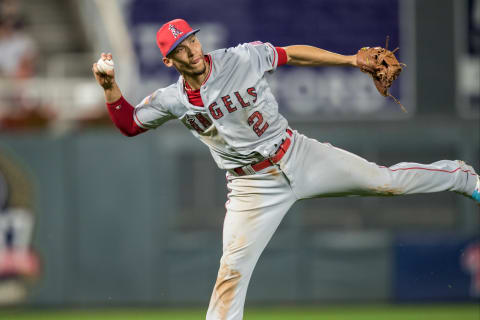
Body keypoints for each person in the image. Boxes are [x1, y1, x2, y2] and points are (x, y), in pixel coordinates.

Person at [92, 18, 480, 320]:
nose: (191, 49)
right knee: (231, 272)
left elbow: (291, 53)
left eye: (191, 39)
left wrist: (349, 60)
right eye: (180, 47)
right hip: (251, 189)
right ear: (169, 59)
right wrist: (110, 86)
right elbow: (128, 124)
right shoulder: (172, 100)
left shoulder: (240, 58)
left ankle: (461, 177)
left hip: (296, 154)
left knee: (386, 181)